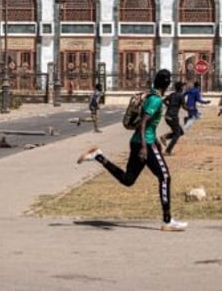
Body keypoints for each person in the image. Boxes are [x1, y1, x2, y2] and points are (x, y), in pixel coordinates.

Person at [77, 69, 187, 232]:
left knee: (128, 180)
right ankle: (168, 220)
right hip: (145, 144)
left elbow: (147, 125)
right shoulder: (155, 100)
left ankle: (98, 156)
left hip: (140, 142)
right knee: (165, 177)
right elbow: (143, 123)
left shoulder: (150, 96)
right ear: (167, 84)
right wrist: (144, 146)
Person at [162, 81, 186, 155]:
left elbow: (164, 100)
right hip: (173, 117)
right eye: (183, 86)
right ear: (181, 87)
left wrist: (168, 106)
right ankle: (167, 151)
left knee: (181, 132)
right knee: (177, 133)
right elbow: (184, 106)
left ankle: (165, 137)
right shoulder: (181, 96)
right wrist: (191, 109)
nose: (184, 88)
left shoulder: (172, 94)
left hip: (167, 116)